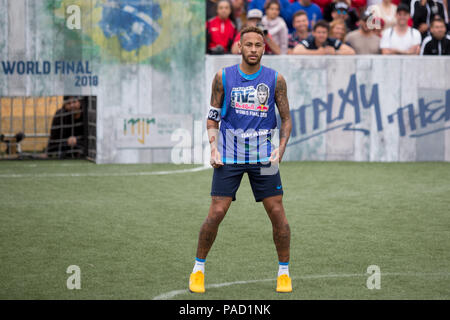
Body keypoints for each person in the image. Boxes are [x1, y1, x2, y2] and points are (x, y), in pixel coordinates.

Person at [189, 25, 293, 294]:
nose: (253, 50)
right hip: (229, 155)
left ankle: (284, 273)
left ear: (264, 48)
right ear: (239, 47)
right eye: (249, 45)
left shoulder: (276, 79)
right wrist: (213, 148)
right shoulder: (223, 77)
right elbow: (213, 118)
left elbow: (286, 119)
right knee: (217, 212)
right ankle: (198, 269)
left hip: (264, 158)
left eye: (258, 45)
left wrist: (280, 149)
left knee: (277, 213)